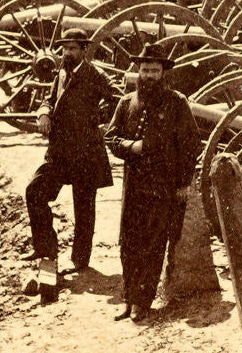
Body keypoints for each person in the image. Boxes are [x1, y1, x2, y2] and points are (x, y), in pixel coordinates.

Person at [105, 44, 199, 322]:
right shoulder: (126, 103)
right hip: (134, 185)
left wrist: (184, 183)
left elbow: (191, 145)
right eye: (144, 70)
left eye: (154, 71)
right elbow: (110, 137)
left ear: (163, 73)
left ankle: (142, 302)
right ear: (138, 71)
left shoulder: (177, 103)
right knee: (128, 243)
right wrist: (131, 147)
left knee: (153, 243)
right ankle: (128, 297)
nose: (148, 76)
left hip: (163, 185)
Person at [24, 27, 115, 292]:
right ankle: (46, 253)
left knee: (84, 207)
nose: (67, 53)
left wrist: (101, 125)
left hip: (86, 151)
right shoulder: (61, 73)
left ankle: (80, 260)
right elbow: (48, 100)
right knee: (35, 192)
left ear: (84, 50)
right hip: (60, 152)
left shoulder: (95, 75)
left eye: (73, 48)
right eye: (65, 48)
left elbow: (115, 100)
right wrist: (43, 114)